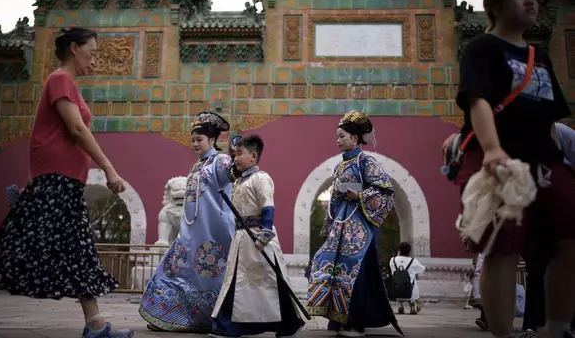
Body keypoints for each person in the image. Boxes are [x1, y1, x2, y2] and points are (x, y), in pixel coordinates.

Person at [0, 27, 134, 338]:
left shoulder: (67, 83)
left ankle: (95, 324)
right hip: (53, 184)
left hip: (65, 183)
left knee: (77, 250)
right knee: (20, 247)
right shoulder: (60, 79)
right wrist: (108, 167)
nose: (95, 59)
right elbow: (76, 129)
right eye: (92, 51)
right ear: (74, 48)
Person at [454, 0, 575, 338]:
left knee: (569, 236)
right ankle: (504, 334)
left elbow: (552, 116)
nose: (531, 2)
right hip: (501, 158)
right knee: (503, 247)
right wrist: (492, 149)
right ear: (495, 4)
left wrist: (559, 159)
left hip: (545, 160)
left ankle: (556, 328)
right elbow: (478, 100)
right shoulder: (482, 48)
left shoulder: (539, 57)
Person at [306, 110, 401, 337]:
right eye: (337, 136)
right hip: (341, 227)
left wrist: (357, 196)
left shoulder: (366, 160)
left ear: (355, 138)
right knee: (334, 269)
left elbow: (386, 191)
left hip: (360, 229)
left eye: (341, 136)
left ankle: (355, 323)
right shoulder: (340, 166)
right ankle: (339, 320)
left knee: (354, 273)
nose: (337, 140)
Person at [139, 112, 235, 333]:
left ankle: (209, 320)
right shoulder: (197, 166)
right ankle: (164, 316)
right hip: (190, 233)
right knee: (173, 271)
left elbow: (233, 174)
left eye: (199, 140)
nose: (194, 144)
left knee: (208, 281)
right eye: (192, 140)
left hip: (213, 235)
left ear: (212, 140)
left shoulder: (221, 161)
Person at [209, 134, 305, 338]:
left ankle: (285, 323)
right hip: (242, 239)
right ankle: (231, 324)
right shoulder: (240, 181)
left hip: (257, 238)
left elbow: (268, 207)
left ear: (253, 156)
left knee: (270, 282)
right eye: (234, 154)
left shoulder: (261, 178)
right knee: (238, 283)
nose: (235, 158)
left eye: (240, 154)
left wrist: (264, 236)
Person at [522, 123, 575, 334]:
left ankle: (565, 324)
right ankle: (532, 325)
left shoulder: (564, 135)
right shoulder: (516, 138)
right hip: (537, 211)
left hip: (560, 205)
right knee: (535, 272)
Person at [389, 242, 426, 315]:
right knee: (412, 280)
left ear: (399, 250)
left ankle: (400, 306)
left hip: (397, 292)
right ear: (409, 251)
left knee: (397, 282)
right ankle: (413, 305)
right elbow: (422, 269)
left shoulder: (392, 260)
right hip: (410, 292)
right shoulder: (413, 261)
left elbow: (392, 272)